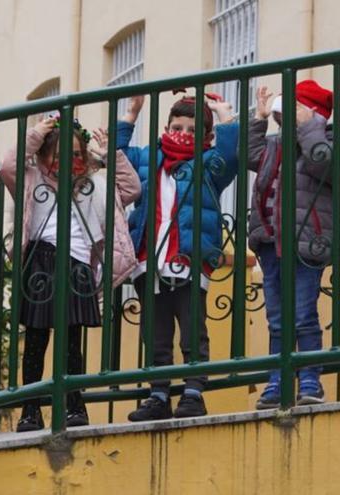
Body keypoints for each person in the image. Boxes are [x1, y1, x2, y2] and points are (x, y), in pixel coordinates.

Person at [0, 116, 140, 431]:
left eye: (76, 154)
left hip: (77, 266)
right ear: (43, 155)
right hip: (40, 263)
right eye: (59, 154)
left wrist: (110, 154)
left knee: (72, 342)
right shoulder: (31, 179)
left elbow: (131, 189)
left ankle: (75, 406)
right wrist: (36, 135)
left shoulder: (91, 184)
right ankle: (30, 409)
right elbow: (8, 165)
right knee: (36, 340)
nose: (69, 161)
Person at [117, 92, 239, 421]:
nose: (183, 133)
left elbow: (232, 156)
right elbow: (117, 158)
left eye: (191, 128)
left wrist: (225, 116)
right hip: (149, 259)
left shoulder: (209, 163)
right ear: (166, 126)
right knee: (155, 333)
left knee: (192, 330)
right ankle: (158, 395)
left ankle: (193, 392)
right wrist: (131, 114)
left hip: (189, 256)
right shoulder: (147, 158)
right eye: (176, 126)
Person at [247, 80, 336, 408]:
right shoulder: (274, 145)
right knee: (277, 318)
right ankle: (278, 379)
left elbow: (324, 164)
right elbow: (248, 154)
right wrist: (258, 118)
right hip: (271, 241)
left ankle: (309, 378)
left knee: (302, 314)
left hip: (305, 242)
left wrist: (309, 128)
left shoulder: (323, 142)